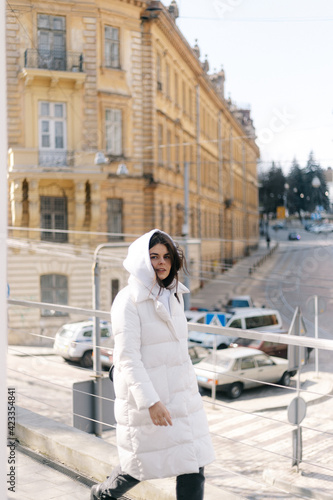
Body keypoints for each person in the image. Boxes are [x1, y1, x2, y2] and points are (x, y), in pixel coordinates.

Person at [91, 229, 215, 500]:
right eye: (153, 256)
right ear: (141, 260)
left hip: (182, 397)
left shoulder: (174, 295)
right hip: (150, 397)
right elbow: (127, 358)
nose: (161, 262)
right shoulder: (127, 301)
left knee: (193, 464)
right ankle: (101, 495)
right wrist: (151, 401)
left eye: (166, 256)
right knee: (138, 463)